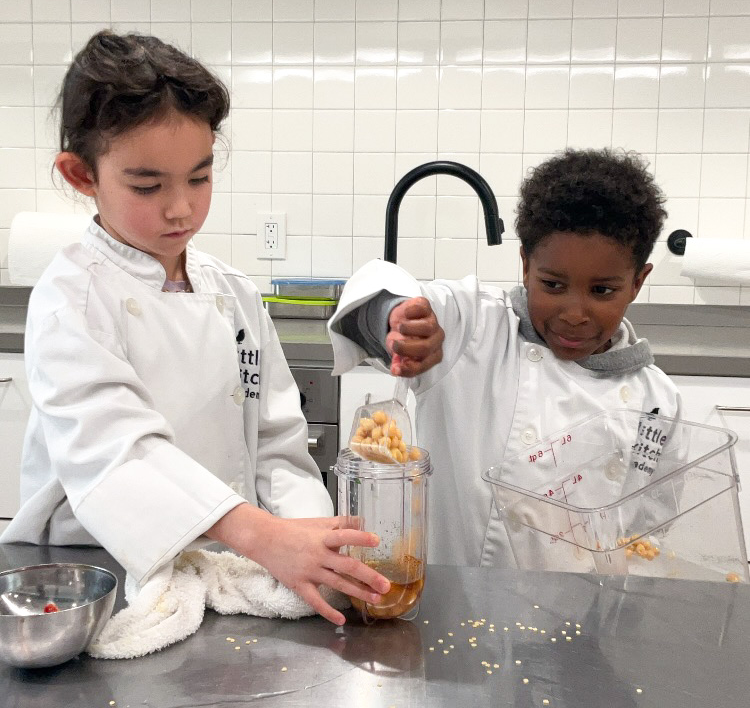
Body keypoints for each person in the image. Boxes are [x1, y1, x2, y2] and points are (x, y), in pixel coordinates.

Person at [2, 31, 389, 624]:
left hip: (226, 561)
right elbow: (120, 457)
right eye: (148, 186)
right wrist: (261, 537)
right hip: (99, 567)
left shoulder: (228, 291)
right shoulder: (72, 298)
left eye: (200, 178)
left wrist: (312, 537)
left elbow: (279, 446)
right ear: (82, 176)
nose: (180, 208)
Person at [329, 148, 682, 570]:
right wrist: (399, 321)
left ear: (638, 281)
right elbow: (375, 299)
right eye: (552, 285)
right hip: (456, 605)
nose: (574, 312)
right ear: (525, 266)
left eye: (602, 291)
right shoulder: (475, 327)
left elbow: (649, 533)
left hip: (588, 619)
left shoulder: (657, 400)